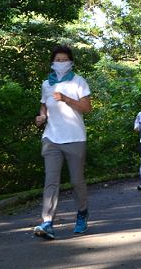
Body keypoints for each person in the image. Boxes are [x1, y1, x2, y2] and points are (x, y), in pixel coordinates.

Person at [33, 45, 92, 240]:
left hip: (75, 137)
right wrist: (42, 117)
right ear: (52, 62)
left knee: (77, 181)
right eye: (57, 60)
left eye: (64, 60)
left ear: (71, 62)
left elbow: (87, 108)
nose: (61, 63)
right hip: (51, 138)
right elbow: (44, 106)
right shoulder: (46, 84)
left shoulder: (78, 81)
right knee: (51, 181)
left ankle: (82, 213)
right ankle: (47, 222)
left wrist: (66, 98)